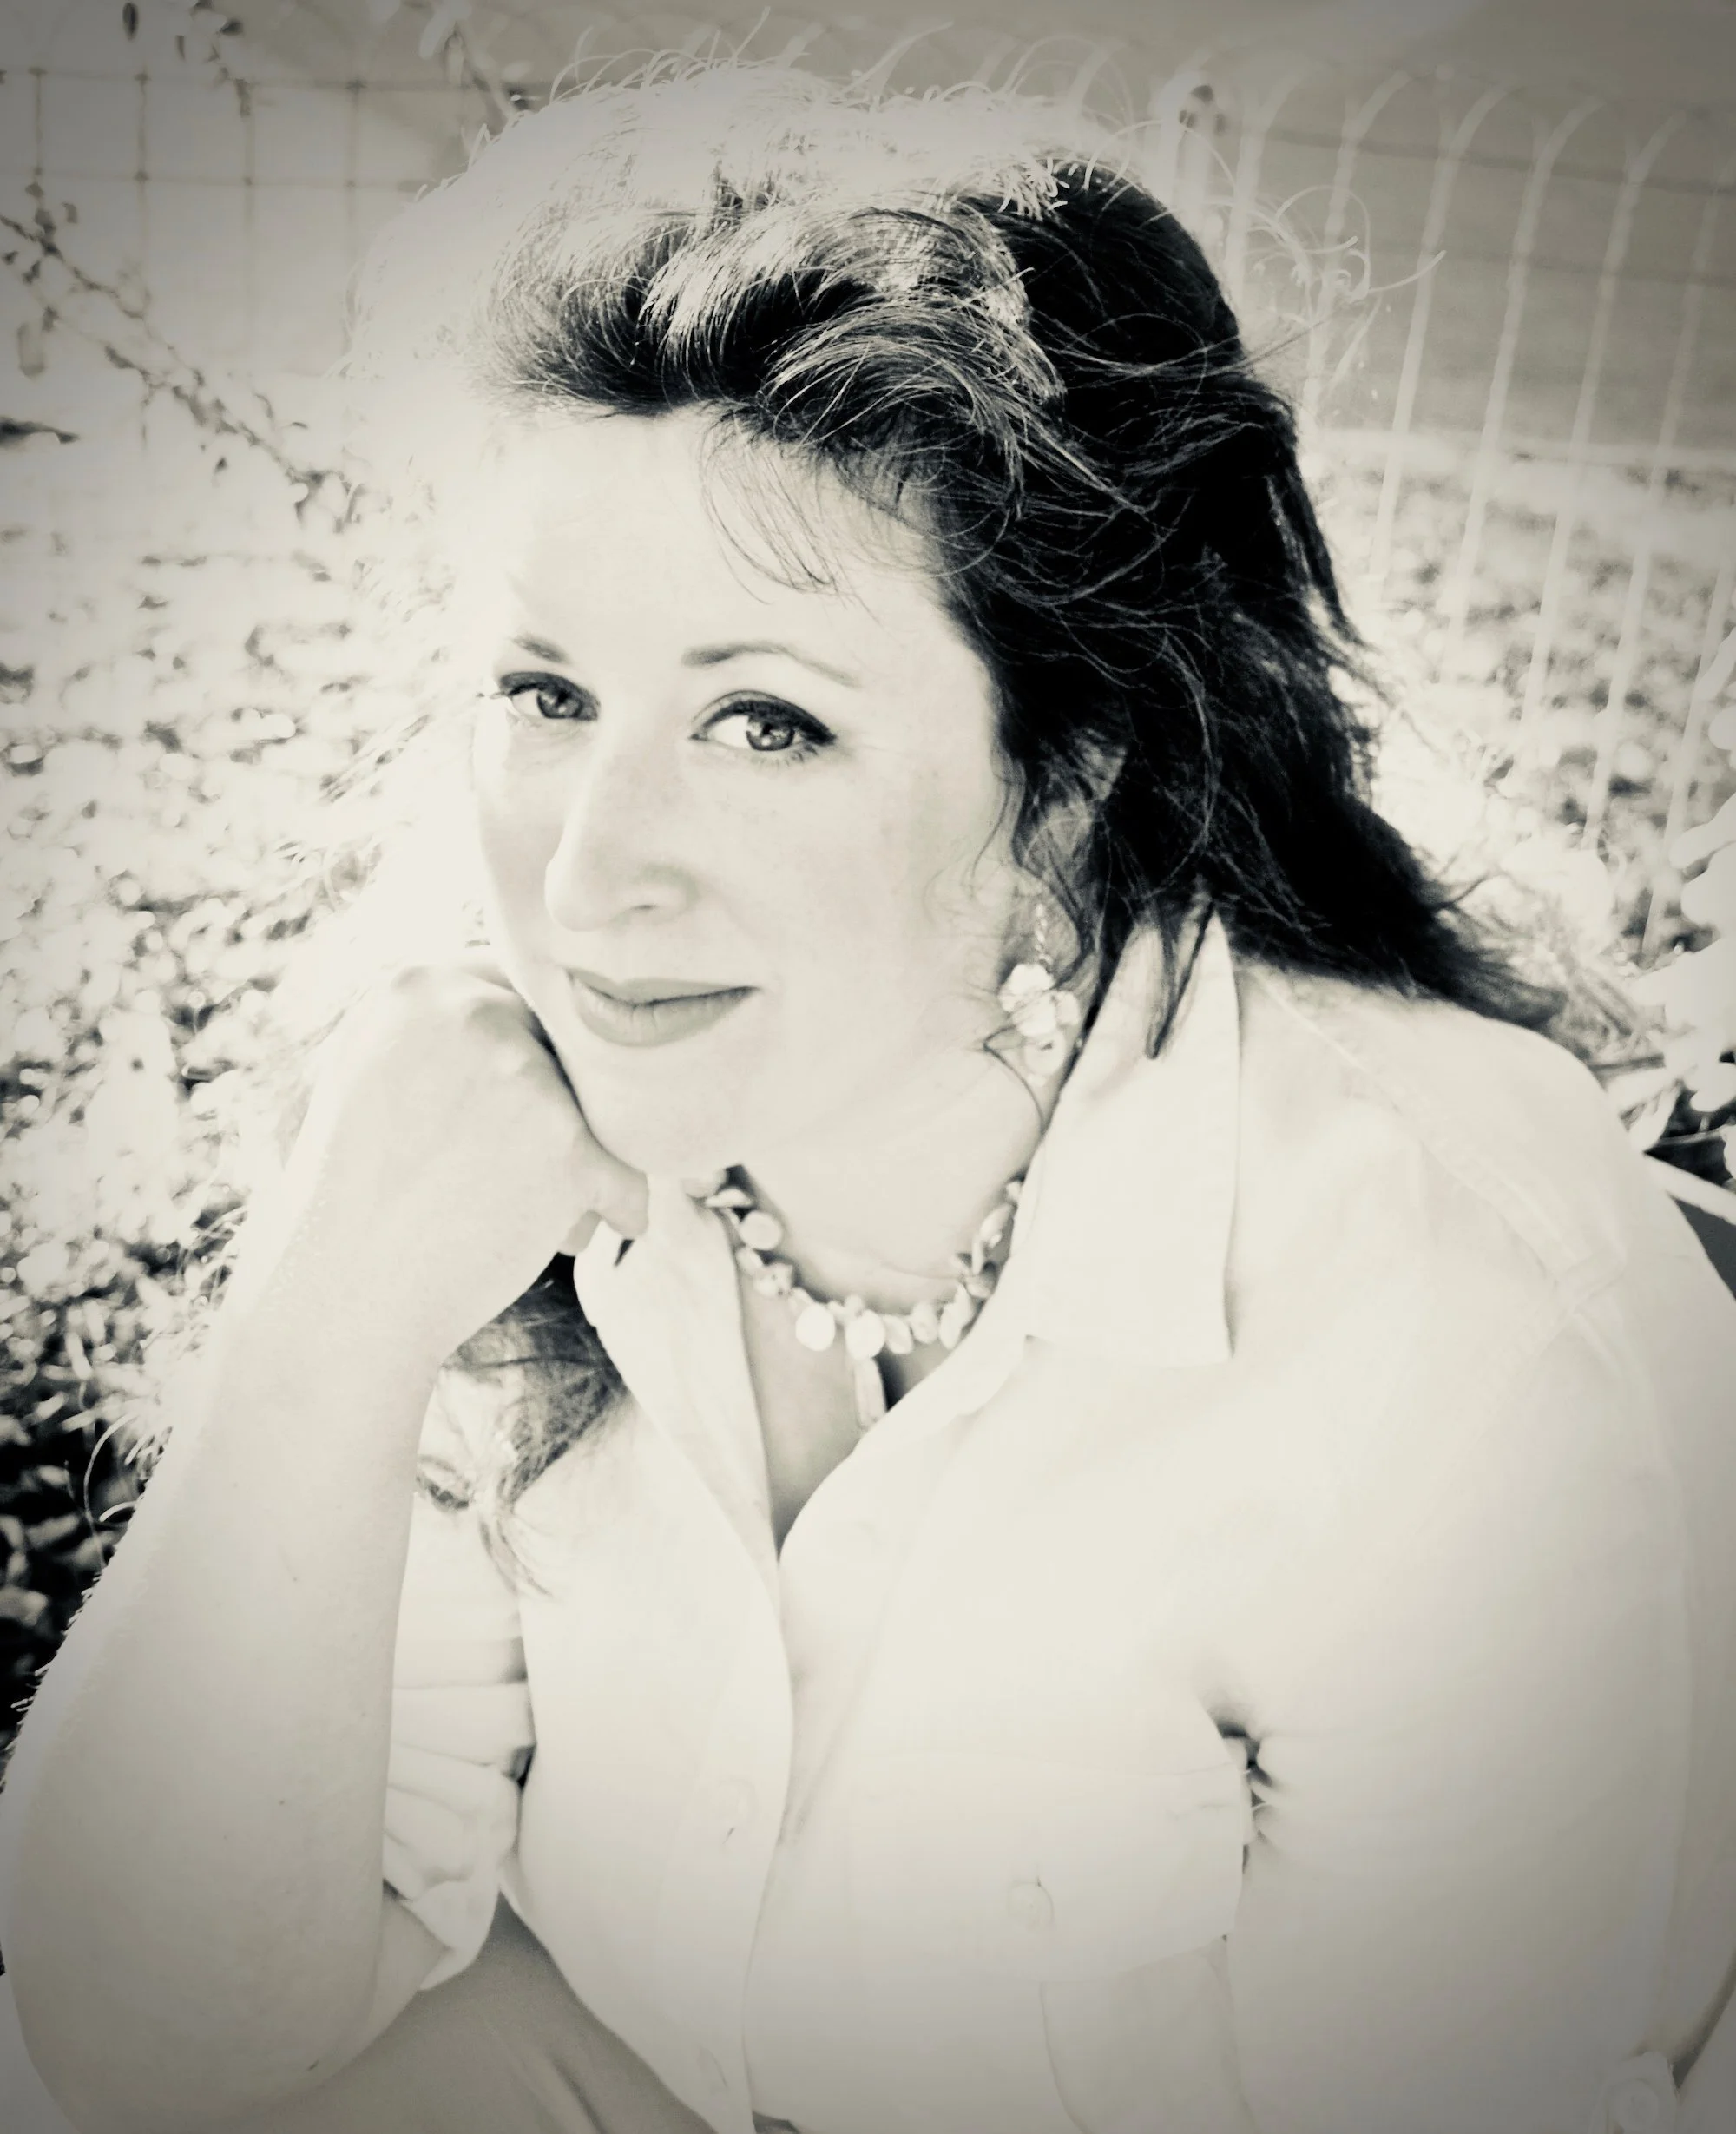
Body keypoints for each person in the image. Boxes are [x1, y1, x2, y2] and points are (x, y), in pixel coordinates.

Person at [2, 58, 1733, 2134]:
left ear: (1066, 781)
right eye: (547, 693)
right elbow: (147, 2043)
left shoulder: (1450, 1322)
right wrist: (330, 1312)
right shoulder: (476, 1139)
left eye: (765, 722)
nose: (585, 871)